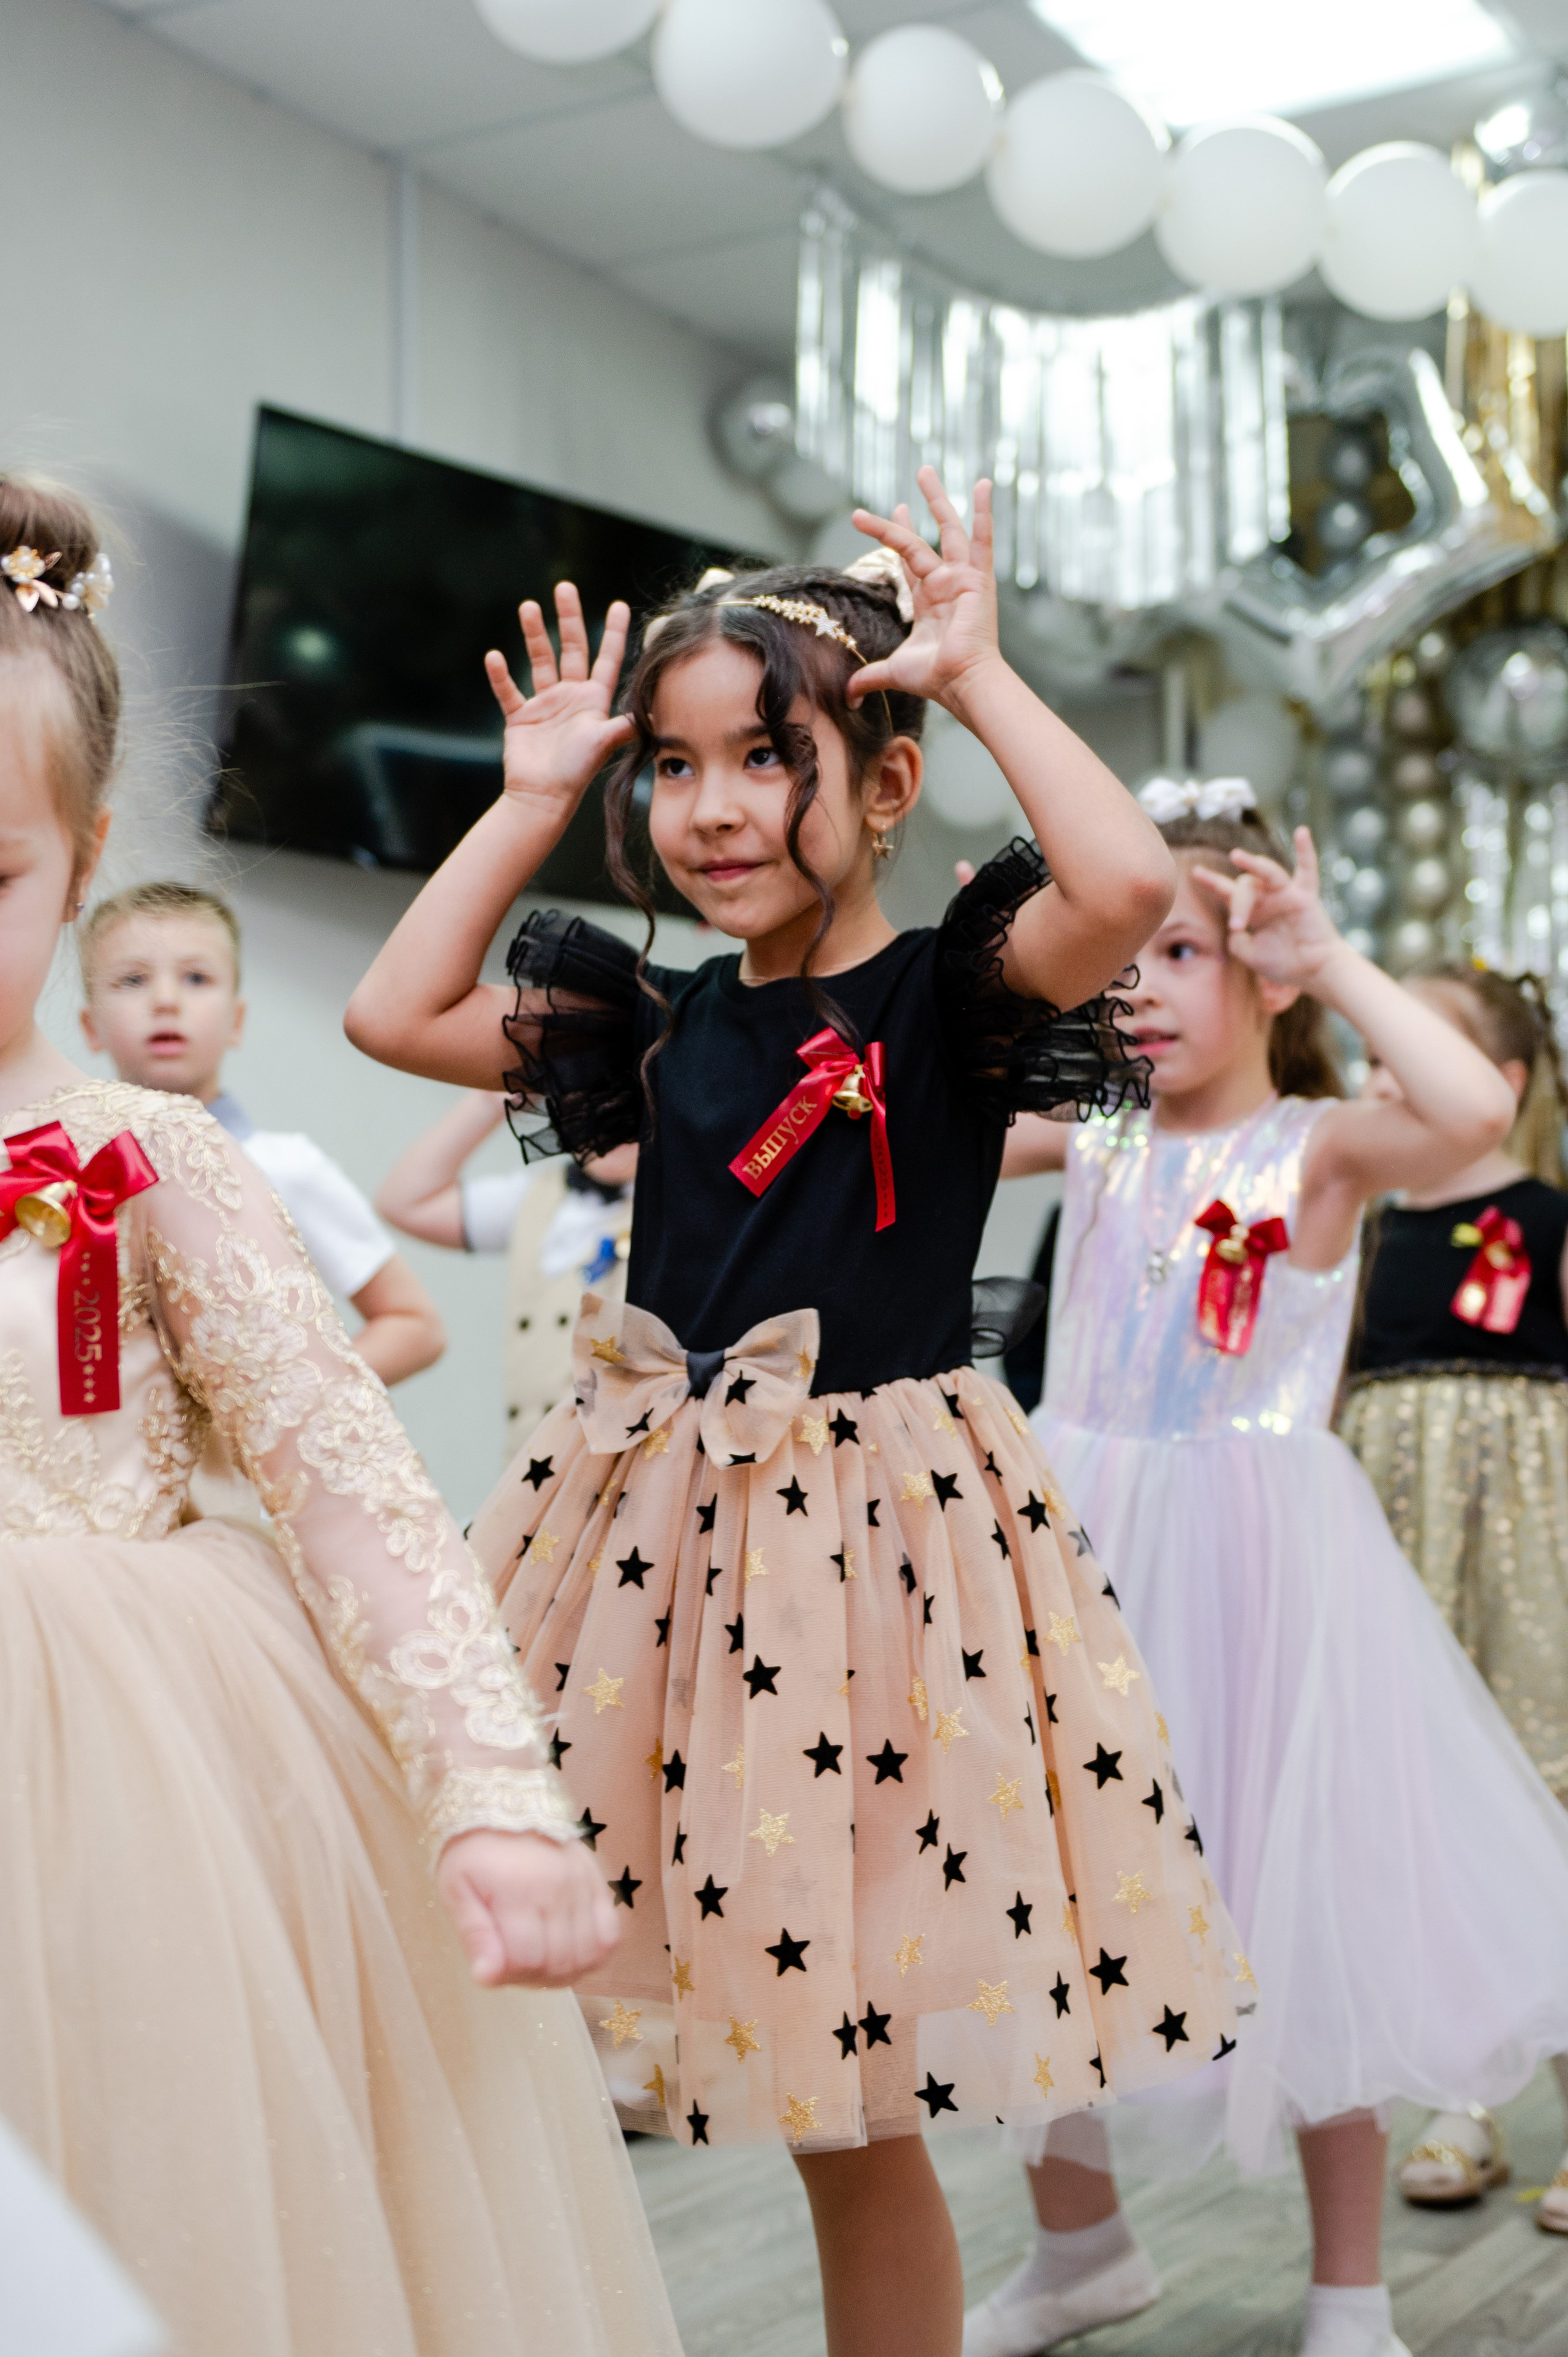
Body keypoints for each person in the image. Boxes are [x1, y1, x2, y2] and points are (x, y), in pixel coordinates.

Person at [343, 467, 1251, 2357]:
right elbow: (391, 1007)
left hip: (876, 1567)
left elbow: (1124, 886)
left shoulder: (952, 999)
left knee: (851, 2100)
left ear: (884, 785)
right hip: (662, 1552)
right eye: (674, 770)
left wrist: (980, 673)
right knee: (654, 2022)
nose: (716, 807)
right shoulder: (659, 1028)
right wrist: (522, 807)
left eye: (767, 756)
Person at [0, 475, 681, 2356]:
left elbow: (352, 1488)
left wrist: (491, 1797)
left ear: (76, 858)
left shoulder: (155, 1160)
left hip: (119, 1774)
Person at [977, 777, 1568, 2357]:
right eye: (1119, 963)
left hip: (1266, 1573)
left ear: (1256, 978)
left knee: (1311, 1914)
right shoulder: (1093, 1135)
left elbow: (1466, 1109)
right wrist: (997, 943)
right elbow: (938, 1085)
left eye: (1174, 954)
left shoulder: (1318, 1150)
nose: (1137, 991)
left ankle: (1348, 2289)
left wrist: (1337, 958)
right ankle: (1077, 2246)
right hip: (1081, 1546)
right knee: (1051, 1903)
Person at [1341, 962, 1568, 2231]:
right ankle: (1460, 2102)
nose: (1384, 1073)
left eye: (1417, 1048)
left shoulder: (1542, 1215)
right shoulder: (1361, 1221)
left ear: (1504, 1084)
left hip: (1529, 1536)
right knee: (1431, 1816)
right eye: (1375, 1047)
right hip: (1390, 1525)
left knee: (1542, 1795)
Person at [79, 881, 444, 1386]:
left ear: (237, 1020)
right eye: (133, 980)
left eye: (196, 978)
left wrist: (286, 1399)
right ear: (89, 1025)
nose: (165, 1000)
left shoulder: (284, 1168)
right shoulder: (61, 1174)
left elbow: (414, 1326)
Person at [376, 1087, 636, 1449]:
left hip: (624, 1470)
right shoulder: (536, 1197)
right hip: (529, 1466)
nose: (609, 1120)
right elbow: (405, 1202)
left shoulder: (687, 1206)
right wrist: (493, 1097)